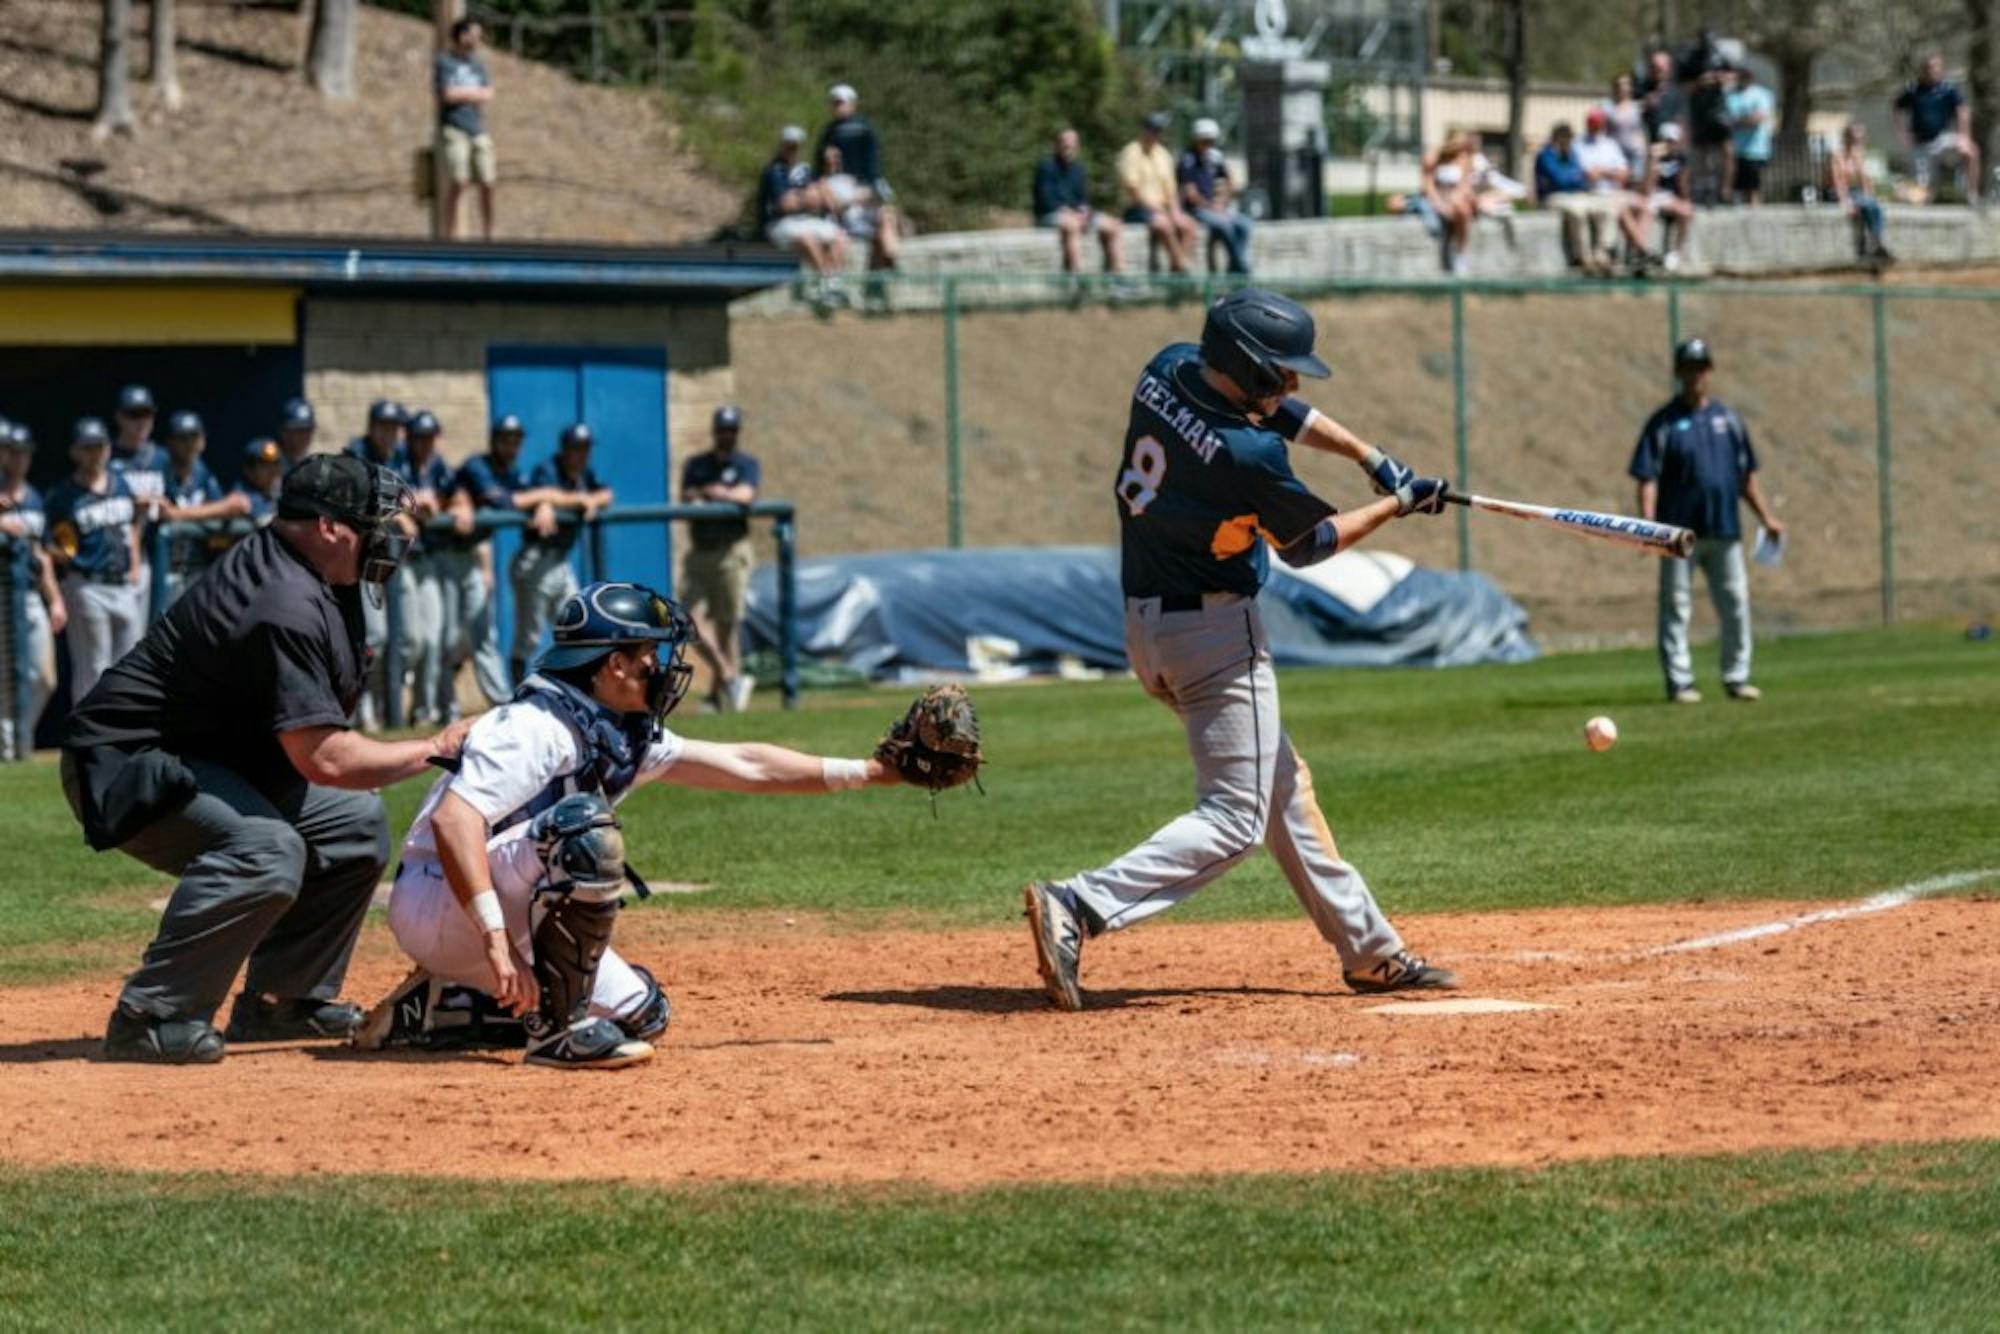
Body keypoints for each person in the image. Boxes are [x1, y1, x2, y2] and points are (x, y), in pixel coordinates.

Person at [1023, 289, 1460, 1012]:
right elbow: (1311, 545)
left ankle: (1371, 952)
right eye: (1280, 371)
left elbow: (1275, 411)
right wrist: (1399, 505)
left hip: (1146, 625)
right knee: (1234, 819)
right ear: (1248, 366)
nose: (1291, 385)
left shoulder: (1166, 368)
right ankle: (1080, 903)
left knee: (1282, 789)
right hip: (1218, 639)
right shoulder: (1245, 455)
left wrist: (1369, 457)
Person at [357, 580, 910, 1067]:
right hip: (438, 899)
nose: (660, 666)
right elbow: (456, 820)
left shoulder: (615, 729)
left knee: (646, 1014)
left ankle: (445, 1004)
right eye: (647, 651)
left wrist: (870, 772)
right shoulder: (534, 726)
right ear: (613, 664)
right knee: (583, 833)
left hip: (495, 899)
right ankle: (554, 1033)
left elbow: (748, 765)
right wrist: (496, 940)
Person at [60, 455, 471, 1064]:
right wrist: (435, 749)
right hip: (129, 764)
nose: (387, 537)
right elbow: (325, 759)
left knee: (352, 825)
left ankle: (284, 1000)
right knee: (266, 849)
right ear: (330, 529)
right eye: (372, 522)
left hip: (204, 756)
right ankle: (150, 1014)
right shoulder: (282, 600)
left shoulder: (320, 576)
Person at [1628, 338, 1785, 704]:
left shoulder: (1728, 421)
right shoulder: (1663, 423)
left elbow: (1746, 477)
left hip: (1724, 528)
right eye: (1689, 367)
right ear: (1678, 372)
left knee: (1735, 603)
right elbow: (1646, 478)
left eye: (1701, 367)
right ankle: (1680, 682)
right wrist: (1648, 526)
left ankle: (1737, 676)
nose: (1695, 375)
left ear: (1709, 372)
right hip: (1677, 534)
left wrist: (1767, 517)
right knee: (1676, 607)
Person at [45, 417, 144, 702]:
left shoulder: (120, 482)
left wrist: (135, 561)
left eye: (100, 446)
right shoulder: (63, 496)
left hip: (123, 584)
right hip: (87, 585)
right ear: (75, 452)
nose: (96, 453)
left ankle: (121, 738)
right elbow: (44, 540)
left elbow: (133, 524)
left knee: (130, 669)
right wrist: (61, 555)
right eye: (88, 447)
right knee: (94, 669)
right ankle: (89, 743)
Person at [448, 413, 539, 707]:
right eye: (506, 440)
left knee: (479, 631)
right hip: (439, 555)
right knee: (435, 638)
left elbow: (525, 497)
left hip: (470, 554)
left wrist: (546, 502)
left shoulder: (511, 473)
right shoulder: (478, 466)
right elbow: (500, 501)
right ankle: (425, 705)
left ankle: (501, 703)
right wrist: (540, 497)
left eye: (516, 441)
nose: (512, 447)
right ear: (495, 441)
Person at [510, 423, 611, 687]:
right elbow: (537, 495)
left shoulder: (584, 473)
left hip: (560, 561)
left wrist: (590, 500)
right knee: (529, 637)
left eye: (586, 448)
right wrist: (572, 500)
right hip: (536, 558)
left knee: (577, 627)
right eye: (577, 448)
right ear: (565, 450)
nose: (582, 454)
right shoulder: (548, 469)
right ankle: (515, 694)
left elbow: (606, 493)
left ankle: (573, 691)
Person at [679, 406, 760, 713]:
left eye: (732, 430)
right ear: (715, 432)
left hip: (731, 550)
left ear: (737, 433)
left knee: (726, 626)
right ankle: (730, 675)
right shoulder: (697, 464)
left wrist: (717, 493)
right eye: (722, 430)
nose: (727, 435)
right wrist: (707, 492)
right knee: (685, 617)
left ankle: (717, 698)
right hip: (700, 551)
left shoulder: (746, 464)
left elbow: (746, 495)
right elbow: (687, 496)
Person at [0, 422, 65, 760]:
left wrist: (54, 599)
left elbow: (41, 554)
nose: (18, 458)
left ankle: (16, 736)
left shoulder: (35, 498)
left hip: (28, 593)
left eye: (23, 452)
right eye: (12, 451)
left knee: (44, 678)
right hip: (2, 595)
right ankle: (9, 747)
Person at [397, 410, 466, 725]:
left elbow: (458, 496)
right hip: (401, 560)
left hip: (429, 559)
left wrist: (457, 507)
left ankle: (424, 711)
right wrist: (413, 503)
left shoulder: (438, 465)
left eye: (429, 437)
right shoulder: (397, 461)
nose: (424, 444)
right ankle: (391, 706)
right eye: (419, 438)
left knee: (436, 639)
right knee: (412, 640)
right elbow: (378, 495)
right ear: (409, 438)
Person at [347, 400, 407, 728]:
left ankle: (369, 702)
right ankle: (357, 703)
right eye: (384, 426)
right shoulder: (357, 453)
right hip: (354, 563)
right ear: (371, 427)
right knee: (370, 636)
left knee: (385, 639)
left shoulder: (399, 456)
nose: (390, 433)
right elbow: (361, 497)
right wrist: (402, 511)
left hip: (382, 564)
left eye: (395, 427)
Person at [159, 410, 253, 606]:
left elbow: (238, 506)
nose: (189, 444)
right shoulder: (161, 470)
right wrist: (219, 508)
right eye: (182, 438)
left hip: (198, 568)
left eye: (194, 436)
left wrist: (178, 514)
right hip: (164, 571)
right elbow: (161, 514)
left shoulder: (202, 472)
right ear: (170, 442)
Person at [814, 84, 899, 274]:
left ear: (852, 104)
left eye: (842, 103)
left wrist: (865, 190)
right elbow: (819, 176)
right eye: (835, 103)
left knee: (887, 217)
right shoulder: (829, 133)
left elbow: (873, 171)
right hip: (845, 210)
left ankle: (890, 264)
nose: (838, 107)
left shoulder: (862, 129)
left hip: (861, 196)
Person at [759, 125, 850, 291]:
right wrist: (807, 196)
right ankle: (826, 282)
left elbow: (825, 202)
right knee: (807, 238)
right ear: (782, 145)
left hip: (804, 220)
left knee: (839, 237)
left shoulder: (806, 169)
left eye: (796, 145)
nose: (792, 149)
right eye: (789, 145)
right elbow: (786, 205)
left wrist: (805, 195)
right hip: (779, 224)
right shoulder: (774, 170)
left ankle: (834, 284)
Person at [436, 17, 498, 241]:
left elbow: (488, 93)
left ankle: (489, 235)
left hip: (478, 128)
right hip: (454, 128)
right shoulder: (444, 62)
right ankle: (450, 236)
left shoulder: (478, 64)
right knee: (459, 181)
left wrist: (464, 93)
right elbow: (447, 95)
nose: (477, 40)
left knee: (488, 181)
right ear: (462, 36)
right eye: (474, 34)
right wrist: (474, 93)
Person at [1034, 127, 1124, 275]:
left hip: (1074, 215)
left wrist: (1084, 210)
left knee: (1114, 225)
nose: (1068, 149)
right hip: (1050, 215)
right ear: (1057, 145)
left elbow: (1082, 199)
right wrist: (1069, 212)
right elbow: (1046, 200)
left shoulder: (1078, 170)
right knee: (1072, 225)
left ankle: (1116, 278)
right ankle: (1077, 277)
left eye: (1072, 145)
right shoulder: (1046, 167)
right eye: (1065, 144)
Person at [1895, 54, 1982, 206]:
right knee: (1922, 196)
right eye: (1929, 68)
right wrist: (1902, 133)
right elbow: (1895, 108)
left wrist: (1964, 136)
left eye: (1936, 68)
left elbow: (1962, 111)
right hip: (1921, 144)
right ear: (1923, 70)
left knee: (1971, 151)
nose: (1933, 71)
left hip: (1942, 139)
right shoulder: (1913, 90)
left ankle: (1972, 194)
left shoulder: (1948, 90)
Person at [1117, 112, 1199, 273]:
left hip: (1161, 209)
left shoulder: (1163, 154)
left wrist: (1175, 212)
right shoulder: (1131, 152)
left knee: (1188, 225)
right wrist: (1156, 210)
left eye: (1159, 131)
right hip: (1138, 209)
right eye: (1154, 130)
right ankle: (1181, 265)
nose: (1157, 134)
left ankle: (1178, 267)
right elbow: (1132, 189)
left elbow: (1171, 190)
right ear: (1145, 130)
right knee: (1163, 224)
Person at [1178, 118, 1253, 274]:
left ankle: (1234, 267)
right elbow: (1190, 193)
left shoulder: (1215, 157)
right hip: (1198, 209)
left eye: (1211, 141)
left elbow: (1230, 181)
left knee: (1244, 224)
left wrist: (1222, 202)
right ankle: (1241, 269)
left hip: (1216, 207)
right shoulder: (1187, 159)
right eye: (1204, 141)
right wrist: (1211, 207)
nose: (1208, 145)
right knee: (1223, 225)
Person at [1630, 122, 1696, 272]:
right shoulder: (1651, 156)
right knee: (1646, 211)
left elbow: (1683, 187)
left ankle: (1676, 253)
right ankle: (1641, 251)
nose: (1669, 144)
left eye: (1672, 141)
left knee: (1687, 211)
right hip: (1654, 196)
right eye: (1666, 140)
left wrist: (1684, 198)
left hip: (1670, 197)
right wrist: (1653, 161)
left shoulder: (1681, 159)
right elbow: (1647, 188)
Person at [1830, 123, 1894, 267]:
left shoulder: (1858, 154)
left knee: (1873, 207)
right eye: (1856, 137)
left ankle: (1874, 243)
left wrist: (1870, 196)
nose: (1859, 140)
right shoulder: (1838, 155)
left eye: (1860, 138)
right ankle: (1876, 244)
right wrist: (1845, 201)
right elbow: (1838, 181)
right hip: (1841, 193)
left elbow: (1865, 181)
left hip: (1857, 194)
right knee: (1868, 206)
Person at [1535, 123, 1595, 269]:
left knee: (1604, 208)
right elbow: (1559, 181)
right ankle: (1584, 257)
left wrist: (1577, 178)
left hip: (1574, 195)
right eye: (1565, 139)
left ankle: (1603, 253)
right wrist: (1577, 178)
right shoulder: (1546, 155)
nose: (1567, 143)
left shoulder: (1571, 155)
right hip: (1552, 197)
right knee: (1577, 211)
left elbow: (1583, 181)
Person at [1726, 65, 1774, 206]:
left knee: (1753, 185)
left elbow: (1758, 118)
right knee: (1737, 183)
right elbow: (1726, 118)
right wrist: (1742, 121)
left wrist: (1738, 121)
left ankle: (1754, 208)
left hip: (1756, 148)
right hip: (1735, 148)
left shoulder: (1762, 94)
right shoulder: (1730, 95)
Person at [1605, 71, 1649, 176]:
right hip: (1616, 153)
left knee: (1635, 181)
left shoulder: (1638, 107)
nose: (1623, 88)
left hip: (1636, 153)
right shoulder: (1608, 108)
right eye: (1620, 85)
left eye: (1626, 84)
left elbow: (1643, 129)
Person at [233, 437, 285, 524]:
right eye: (265, 465)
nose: (273, 470)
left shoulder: (280, 492)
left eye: (276, 463)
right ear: (248, 470)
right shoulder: (242, 495)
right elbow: (265, 521)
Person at [278, 397, 317, 472]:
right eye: (297, 430)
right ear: (283, 432)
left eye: (307, 430)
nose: (303, 436)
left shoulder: (313, 464)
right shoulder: (270, 464)